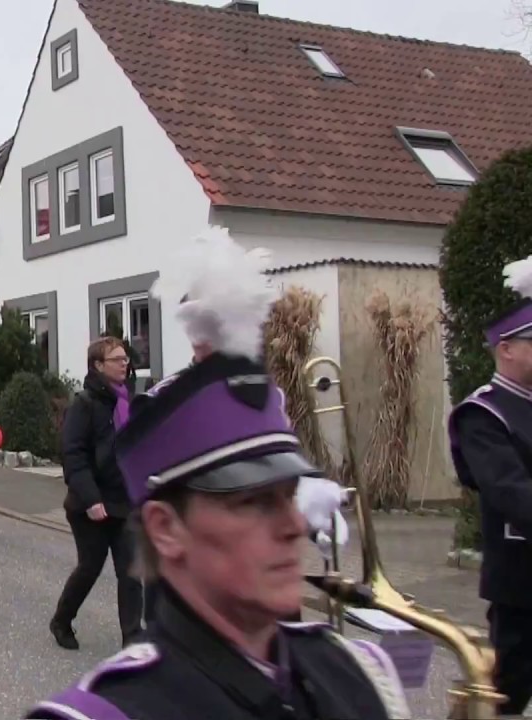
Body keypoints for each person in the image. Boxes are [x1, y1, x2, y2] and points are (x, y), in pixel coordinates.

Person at [26, 228, 406, 720]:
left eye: (282, 499)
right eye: (252, 503)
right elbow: (113, 466)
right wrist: (92, 495)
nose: (290, 527)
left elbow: (271, 449)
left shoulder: (361, 674)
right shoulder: (106, 712)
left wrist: (306, 491)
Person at [448, 253, 532, 717]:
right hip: (522, 583)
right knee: (503, 697)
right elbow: (510, 491)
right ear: (507, 348)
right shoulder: (483, 412)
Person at [51, 335, 145, 650]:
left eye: (125, 358)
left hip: (124, 501)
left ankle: (132, 638)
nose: (124, 364)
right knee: (90, 567)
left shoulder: (128, 401)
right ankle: (61, 621)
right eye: (117, 359)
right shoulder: (84, 404)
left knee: (131, 571)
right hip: (89, 504)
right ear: (98, 365)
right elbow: (73, 455)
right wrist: (91, 499)